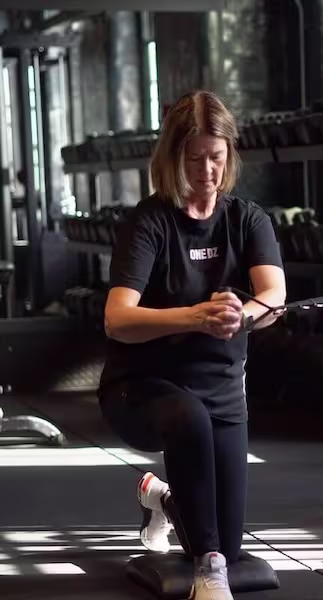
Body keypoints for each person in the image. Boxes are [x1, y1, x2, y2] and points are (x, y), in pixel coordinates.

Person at [97, 91, 286, 600]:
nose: (207, 170)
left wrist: (239, 315)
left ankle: (161, 497)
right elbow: (117, 319)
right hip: (141, 389)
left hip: (220, 391)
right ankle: (208, 570)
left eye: (217, 157)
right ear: (174, 158)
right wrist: (195, 317)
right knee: (189, 426)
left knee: (229, 535)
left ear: (230, 156)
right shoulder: (149, 222)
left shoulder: (247, 219)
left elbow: (273, 296)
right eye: (196, 158)